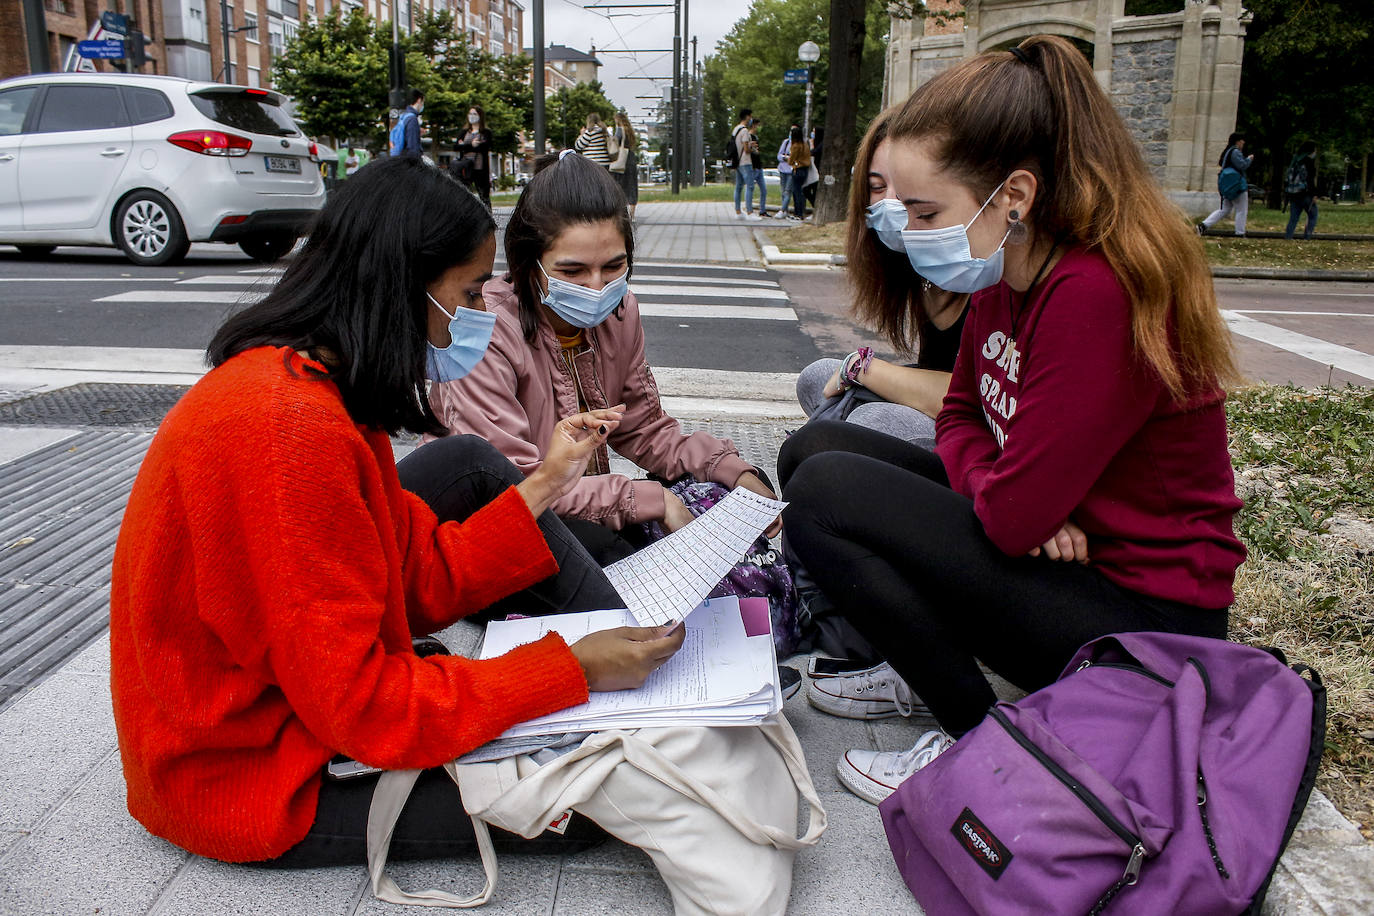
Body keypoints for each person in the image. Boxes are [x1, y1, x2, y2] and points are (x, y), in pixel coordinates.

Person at [110, 156, 687, 868]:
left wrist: (541, 503)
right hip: (243, 768)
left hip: (288, 709)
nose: (482, 315)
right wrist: (568, 668)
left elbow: (417, 574)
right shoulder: (289, 428)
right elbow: (365, 705)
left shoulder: (318, 389)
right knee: (595, 796)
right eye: (471, 293)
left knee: (587, 763)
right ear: (402, 287)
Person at [780, 36, 1245, 807]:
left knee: (826, 494)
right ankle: (927, 673)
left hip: (1147, 631)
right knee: (815, 446)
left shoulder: (1096, 293)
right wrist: (1009, 495)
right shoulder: (1009, 267)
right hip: (1064, 562)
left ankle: (985, 745)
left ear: (1014, 195)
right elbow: (962, 415)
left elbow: (1009, 514)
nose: (908, 228)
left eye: (926, 210)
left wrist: (1015, 505)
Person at [425, 149, 782, 565]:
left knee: (714, 518)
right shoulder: (486, 327)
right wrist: (647, 497)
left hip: (582, 506)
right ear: (528, 264)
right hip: (492, 529)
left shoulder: (621, 310)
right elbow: (513, 489)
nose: (596, 287)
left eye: (613, 267)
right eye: (572, 272)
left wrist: (729, 469)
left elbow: (643, 428)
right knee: (621, 557)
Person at [793, 109, 968, 448]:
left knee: (869, 422)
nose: (891, 203)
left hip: (980, 430)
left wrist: (862, 368)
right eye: (876, 186)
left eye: (905, 187)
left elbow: (973, 396)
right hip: (945, 408)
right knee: (816, 378)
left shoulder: (978, 267)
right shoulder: (911, 267)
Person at [1200, 132, 1253, 236]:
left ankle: (1203, 225)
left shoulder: (1228, 152)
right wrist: (1249, 159)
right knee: (1241, 210)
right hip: (1237, 186)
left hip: (1228, 187)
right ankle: (1240, 232)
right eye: (1242, 140)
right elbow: (1242, 165)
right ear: (1238, 141)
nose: (1244, 142)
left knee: (1224, 209)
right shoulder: (1236, 151)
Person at [452, 105, 493, 208]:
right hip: (466, 168)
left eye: (474, 114)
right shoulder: (464, 132)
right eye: (470, 113)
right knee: (464, 195)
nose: (472, 116)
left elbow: (485, 147)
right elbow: (456, 147)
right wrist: (471, 145)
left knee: (484, 196)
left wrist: (464, 146)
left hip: (480, 168)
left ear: (480, 116)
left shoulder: (486, 132)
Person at [1285, 140, 1319, 240]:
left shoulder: (1295, 160)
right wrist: (1314, 194)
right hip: (1305, 193)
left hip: (1293, 193)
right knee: (1313, 215)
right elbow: (1310, 179)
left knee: (1293, 218)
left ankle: (1288, 237)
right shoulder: (1309, 162)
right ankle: (1307, 237)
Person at [611, 110, 639, 221]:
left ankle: (621, 213)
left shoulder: (619, 130)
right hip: (631, 159)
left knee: (620, 186)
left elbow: (616, 141)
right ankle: (632, 214)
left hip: (622, 161)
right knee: (632, 186)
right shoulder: (630, 132)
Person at [732, 108, 758, 219]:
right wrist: (753, 148)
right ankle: (750, 212)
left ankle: (738, 211)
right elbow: (746, 150)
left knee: (738, 186)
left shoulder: (736, 129)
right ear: (747, 117)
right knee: (750, 186)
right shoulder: (745, 131)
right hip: (745, 161)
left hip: (737, 161)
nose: (751, 119)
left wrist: (748, 144)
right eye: (750, 116)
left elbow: (739, 144)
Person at [786, 125, 811, 223]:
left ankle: (798, 213)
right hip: (804, 169)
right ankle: (800, 213)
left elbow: (790, 160)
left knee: (796, 192)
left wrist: (791, 161)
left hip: (798, 169)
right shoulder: (805, 144)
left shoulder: (796, 146)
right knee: (800, 192)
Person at [391, 90, 424, 159]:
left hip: (399, 157)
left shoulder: (404, 116)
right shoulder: (412, 119)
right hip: (408, 163)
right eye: (423, 102)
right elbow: (413, 148)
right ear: (419, 100)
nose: (422, 106)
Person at [775, 125, 797, 219]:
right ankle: (785, 210)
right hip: (782, 169)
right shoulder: (786, 142)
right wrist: (785, 157)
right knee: (783, 191)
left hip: (791, 170)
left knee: (788, 191)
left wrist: (789, 158)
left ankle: (782, 210)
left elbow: (795, 158)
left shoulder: (798, 144)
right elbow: (779, 156)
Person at [749, 117, 769, 218]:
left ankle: (762, 210)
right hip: (752, 166)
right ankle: (750, 209)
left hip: (759, 166)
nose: (759, 127)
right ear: (754, 125)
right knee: (750, 188)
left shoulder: (756, 137)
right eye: (758, 125)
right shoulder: (749, 136)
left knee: (764, 190)